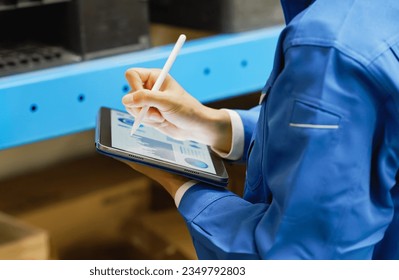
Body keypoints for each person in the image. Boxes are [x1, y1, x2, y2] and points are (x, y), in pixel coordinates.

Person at [121, 0, 399, 259]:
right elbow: (351, 140)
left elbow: (295, 259)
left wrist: (181, 183)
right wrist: (207, 122)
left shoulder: (328, 46)